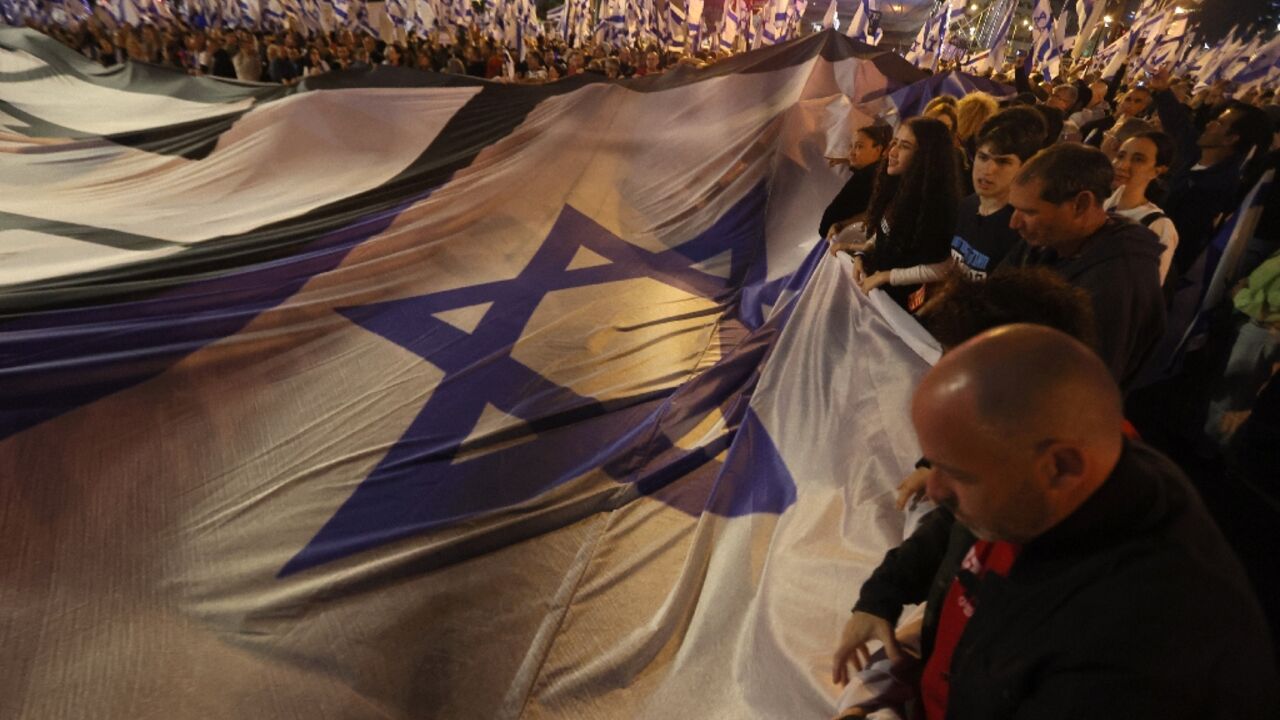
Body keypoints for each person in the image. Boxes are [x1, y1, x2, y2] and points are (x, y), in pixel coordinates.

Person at [833, 324, 1280, 720]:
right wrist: (883, 596)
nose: (933, 490)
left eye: (957, 473)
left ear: (1061, 468)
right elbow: (954, 536)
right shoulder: (1058, 485)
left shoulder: (1137, 652)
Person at [998, 143, 1165, 393]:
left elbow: (1082, 388)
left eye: (1029, 212)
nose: (1014, 223)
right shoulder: (1045, 241)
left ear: (1081, 204)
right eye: (1015, 209)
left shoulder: (1118, 281)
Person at [837, 117, 961, 311]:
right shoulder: (899, 185)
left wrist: (885, 276)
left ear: (926, 156)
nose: (891, 152)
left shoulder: (935, 205)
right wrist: (862, 252)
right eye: (894, 142)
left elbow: (940, 267)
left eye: (904, 146)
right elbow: (885, 231)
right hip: (876, 292)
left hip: (899, 306)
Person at [950, 107, 1046, 280]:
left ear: (1024, 167)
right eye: (983, 157)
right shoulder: (966, 205)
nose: (988, 170)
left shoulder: (1022, 231)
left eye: (1003, 162)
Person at [1104, 131, 1180, 283]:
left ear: (1157, 171)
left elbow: (1147, 290)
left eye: (1138, 159)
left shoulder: (1158, 226)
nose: (1122, 165)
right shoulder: (1102, 203)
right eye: (1121, 156)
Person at [819, 124, 893, 238]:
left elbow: (877, 210)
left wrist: (841, 225)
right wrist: (847, 159)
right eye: (851, 146)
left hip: (845, 239)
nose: (852, 152)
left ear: (878, 149)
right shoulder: (876, 171)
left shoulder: (867, 177)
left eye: (859, 147)